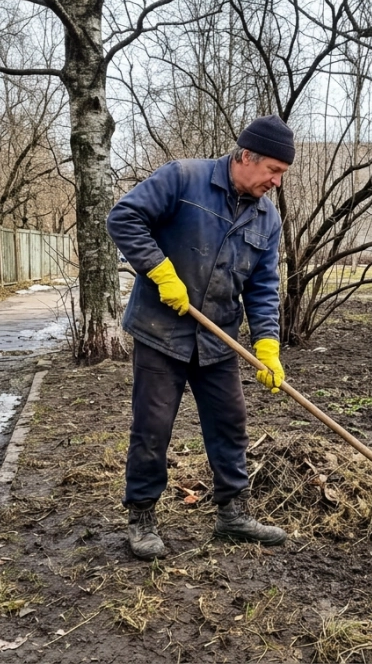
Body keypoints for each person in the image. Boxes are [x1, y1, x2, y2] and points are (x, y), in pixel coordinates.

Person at [106, 116, 294, 560]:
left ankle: (233, 515)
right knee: (152, 427)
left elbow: (264, 286)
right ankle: (141, 515)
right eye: (272, 170)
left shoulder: (266, 217)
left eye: (282, 173)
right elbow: (124, 217)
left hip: (218, 338)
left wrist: (268, 344)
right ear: (245, 156)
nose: (276, 182)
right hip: (161, 331)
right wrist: (158, 270)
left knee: (230, 423)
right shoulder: (183, 178)